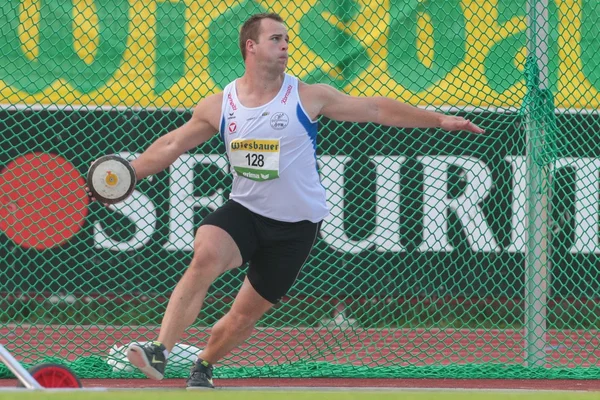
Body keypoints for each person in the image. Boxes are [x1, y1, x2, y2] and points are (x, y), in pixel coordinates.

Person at [89, 12, 484, 389]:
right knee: (205, 254)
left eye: (287, 40)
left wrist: (439, 119)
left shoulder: (309, 96)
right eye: (275, 39)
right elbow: (173, 143)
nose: (284, 46)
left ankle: (204, 365)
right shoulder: (220, 105)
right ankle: (161, 350)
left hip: (296, 226)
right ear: (251, 47)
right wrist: (128, 174)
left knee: (242, 318)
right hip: (244, 210)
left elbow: (376, 108)